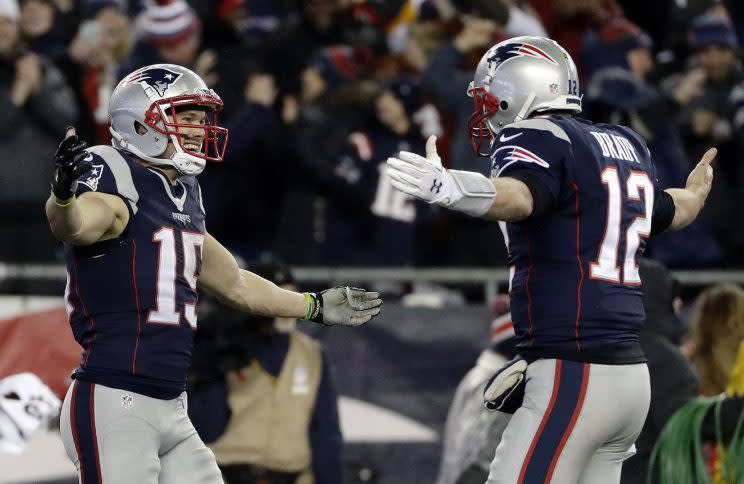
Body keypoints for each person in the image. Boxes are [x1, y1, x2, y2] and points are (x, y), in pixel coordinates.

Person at [387, 36, 715, 483]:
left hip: (576, 372)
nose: (484, 113)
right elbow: (671, 210)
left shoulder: (538, 137)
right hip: (630, 378)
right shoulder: (624, 143)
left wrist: (454, 188)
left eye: (488, 99)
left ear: (518, 92)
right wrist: (697, 193)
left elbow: (522, 197)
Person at [45, 63, 382, 484]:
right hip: (116, 398)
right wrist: (62, 199)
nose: (198, 129)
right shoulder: (112, 171)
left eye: (201, 120)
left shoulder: (183, 193)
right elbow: (75, 226)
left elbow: (235, 283)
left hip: (171, 403)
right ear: (140, 122)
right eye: (185, 118)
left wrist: (311, 306)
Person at [189, 257, 342, 484]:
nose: (287, 309)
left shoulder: (312, 354)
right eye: (279, 299)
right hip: (226, 475)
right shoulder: (227, 347)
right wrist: (212, 368)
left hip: (292, 477)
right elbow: (207, 429)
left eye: (293, 297)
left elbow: (325, 435)